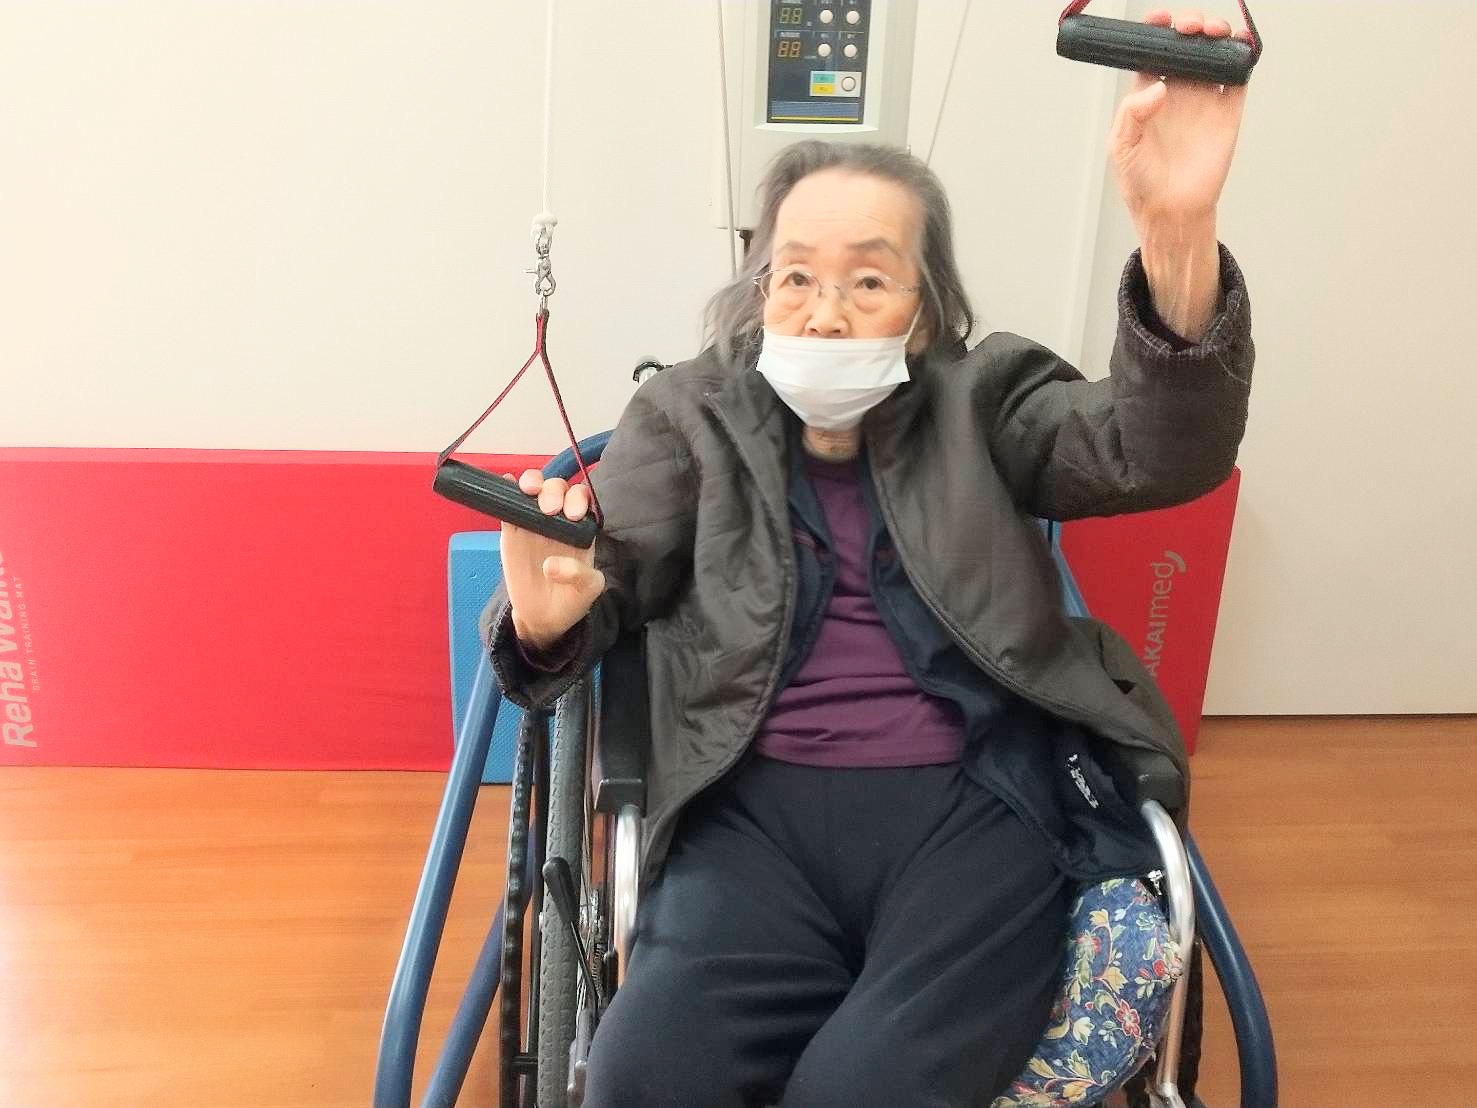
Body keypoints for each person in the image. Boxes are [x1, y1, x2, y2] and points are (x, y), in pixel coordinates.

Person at [483, 9, 1255, 1105]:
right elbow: (610, 567)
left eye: (868, 281)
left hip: (975, 805)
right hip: (746, 815)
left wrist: (1177, 229)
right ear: (758, 292)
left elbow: (1158, 447)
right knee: (641, 1078)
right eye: (795, 277)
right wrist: (549, 615)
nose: (825, 314)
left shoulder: (984, 399)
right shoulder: (689, 415)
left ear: (925, 313)